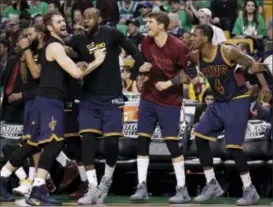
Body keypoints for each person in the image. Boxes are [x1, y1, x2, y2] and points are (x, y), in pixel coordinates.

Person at [156, 24, 272, 206]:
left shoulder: (227, 51)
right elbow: (183, 70)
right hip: (217, 103)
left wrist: (264, 86)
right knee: (199, 137)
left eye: (194, 35)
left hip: (237, 100)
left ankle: (250, 190)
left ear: (205, 38)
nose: (191, 38)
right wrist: (174, 80)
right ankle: (212, 184)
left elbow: (253, 64)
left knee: (233, 147)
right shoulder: (195, 56)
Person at [0, 11, 106, 205]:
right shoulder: (55, 45)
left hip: (44, 100)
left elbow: (67, 64)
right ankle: (37, 190)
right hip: (50, 101)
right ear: (49, 27)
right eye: (59, 21)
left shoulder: (55, 46)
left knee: (35, 144)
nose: (63, 23)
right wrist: (97, 61)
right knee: (55, 143)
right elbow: (76, 74)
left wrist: (75, 59)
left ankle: (5, 178)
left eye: (64, 20)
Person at [68, 7, 143, 205]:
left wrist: (139, 72)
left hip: (112, 97)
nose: (86, 20)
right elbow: (70, 60)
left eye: (91, 17)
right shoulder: (76, 40)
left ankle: (106, 181)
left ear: (99, 20)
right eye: (84, 17)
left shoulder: (111, 34)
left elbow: (135, 50)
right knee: (87, 141)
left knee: (110, 142)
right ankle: (92, 188)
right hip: (88, 98)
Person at [129, 11, 191, 204]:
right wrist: (141, 74)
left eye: (150, 22)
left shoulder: (178, 46)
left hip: (170, 101)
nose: (147, 25)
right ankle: (141, 187)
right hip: (148, 97)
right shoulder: (146, 43)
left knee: (172, 144)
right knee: (142, 141)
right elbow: (145, 67)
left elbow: (188, 73)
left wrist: (169, 83)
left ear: (162, 25)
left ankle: (182, 189)